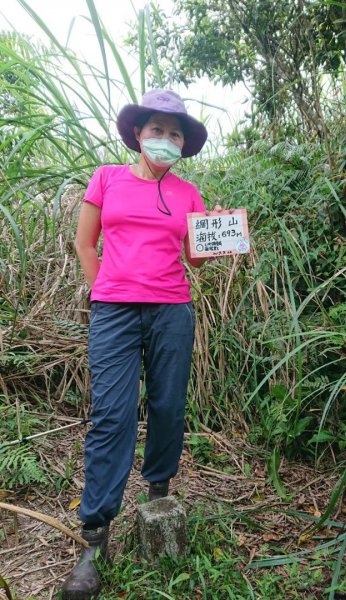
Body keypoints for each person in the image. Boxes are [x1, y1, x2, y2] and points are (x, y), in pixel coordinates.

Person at [61, 89, 222, 599]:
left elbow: (195, 260)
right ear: (138, 133)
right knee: (113, 414)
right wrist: (101, 289)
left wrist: (215, 229)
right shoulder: (107, 178)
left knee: (169, 405)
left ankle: (158, 493)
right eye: (157, 130)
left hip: (172, 310)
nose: (166, 140)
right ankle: (95, 539)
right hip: (114, 312)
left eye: (176, 134)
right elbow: (85, 243)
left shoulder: (188, 191)